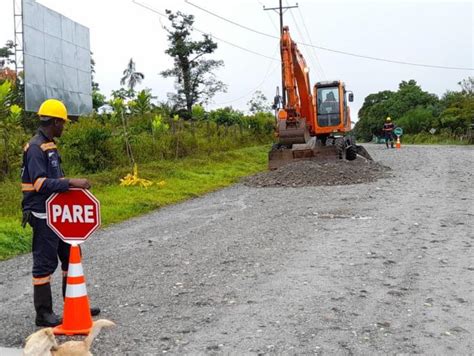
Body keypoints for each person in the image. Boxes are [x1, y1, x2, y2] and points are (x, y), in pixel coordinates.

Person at [21, 99, 100, 327]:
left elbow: (53, 179)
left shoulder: (50, 144)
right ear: (55, 121)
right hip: (42, 213)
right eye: (62, 123)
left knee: (70, 257)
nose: (63, 127)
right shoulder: (36, 147)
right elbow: (39, 183)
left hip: (58, 212)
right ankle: (43, 313)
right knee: (44, 264)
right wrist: (71, 182)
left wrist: (69, 187)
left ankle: (75, 302)